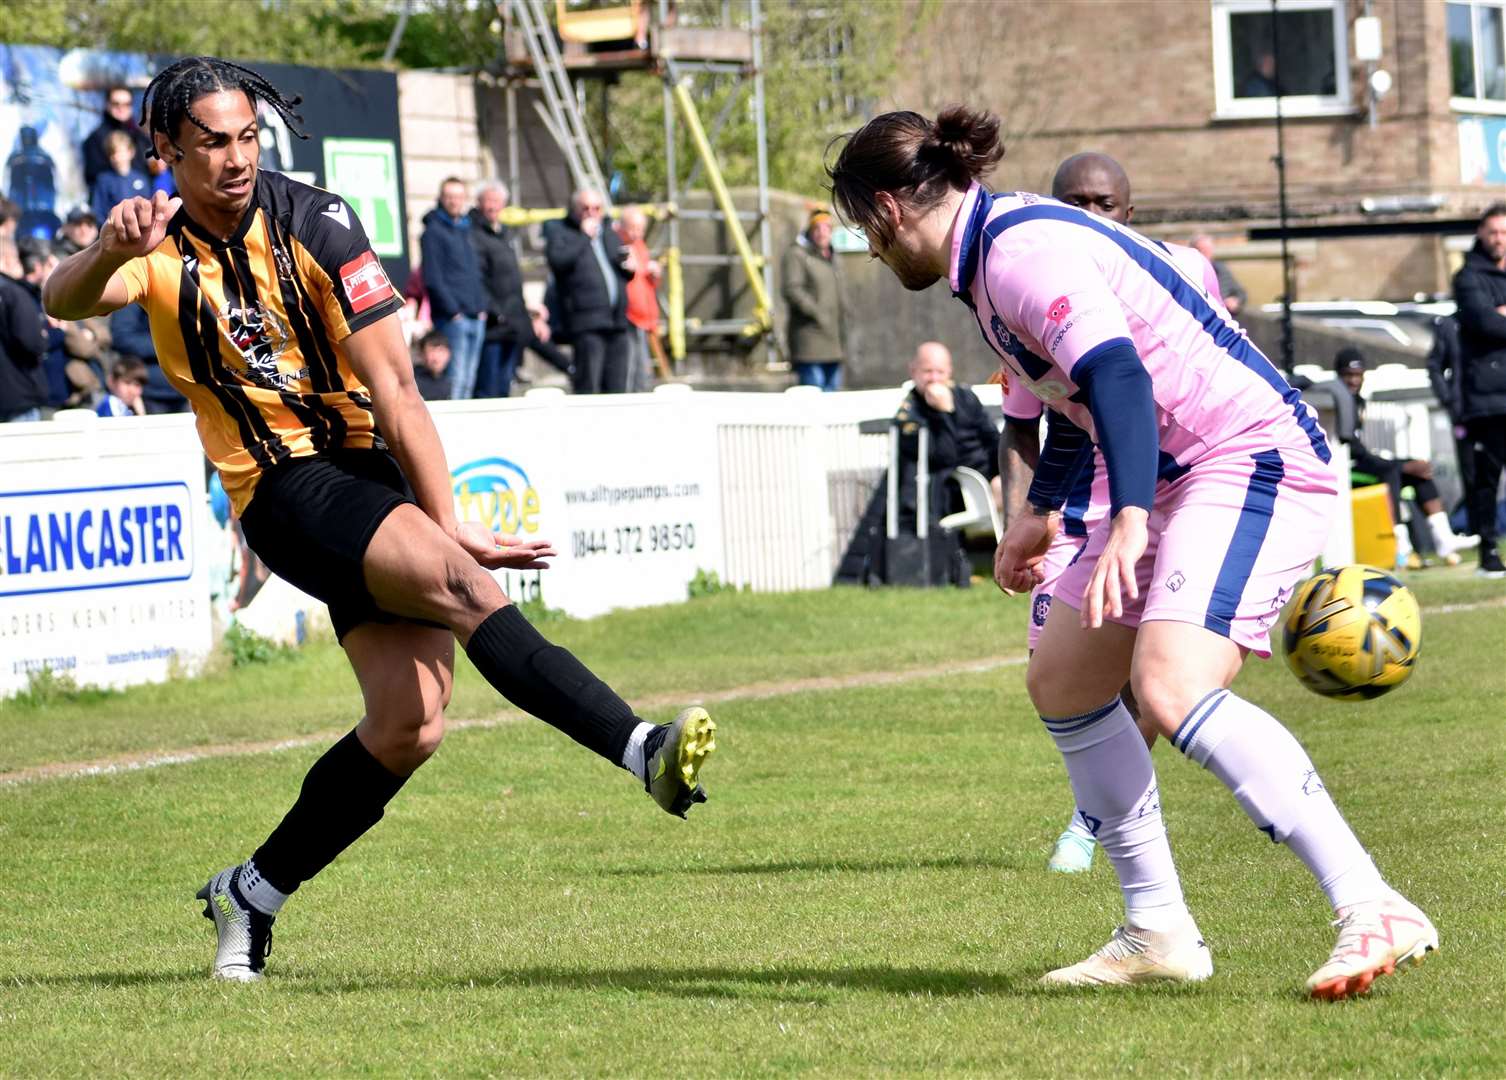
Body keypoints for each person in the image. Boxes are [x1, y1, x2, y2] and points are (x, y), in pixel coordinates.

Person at [43, 56, 717, 984]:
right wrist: (110, 249)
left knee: (410, 722)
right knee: (464, 587)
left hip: (367, 471)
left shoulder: (318, 221)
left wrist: (443, 517)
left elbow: (398, 389)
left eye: (247, 137)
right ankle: (642, 749)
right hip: (280, 489)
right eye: (212, 143)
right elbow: (60, 300)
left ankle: (251, 893)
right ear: (167, 148)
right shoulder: (150, 243)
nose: (236, 159)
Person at [829, 104, 1436, 1000]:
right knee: (1065, 680)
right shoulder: (988, 257)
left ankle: (1371, 903)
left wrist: (1127, 525)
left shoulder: (1016, 253)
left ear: (886, 208)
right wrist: (1040, 512)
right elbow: (1077, 396)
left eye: (864, 234)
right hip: (1179, 475)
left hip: (1249, 458)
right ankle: (1157, 929)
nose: (873, 256)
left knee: (1171, 684)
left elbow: (1117, 373)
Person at [1008, 150, 1218, 874]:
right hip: (1073, 510)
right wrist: (1029, 517)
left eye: (1103, 203)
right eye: (1073, 201)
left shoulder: (1185, 272)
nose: (1088, 215)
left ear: (1129, 213)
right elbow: (1027, 422)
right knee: (1060, 677)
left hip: (1156, 505)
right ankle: (1108, 813)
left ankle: (1093, 821)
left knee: (1147, 684)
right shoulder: (1029, 289)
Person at [1332, 347, 1471, 568]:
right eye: (1348, 375)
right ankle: (1401, 549)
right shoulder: (1334, 400)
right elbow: (1351, 449)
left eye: (1357, 375)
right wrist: (1399, 465)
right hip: (1341, 470)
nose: (1353, 381)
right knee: (1392, 470)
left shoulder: (1358, 401)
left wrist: (1404, 464)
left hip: (1361, 463)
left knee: (1420, 470)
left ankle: (1445, 541)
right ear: (1338, 375)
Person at [1449, 203, 1506, 579]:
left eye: (1503, 232)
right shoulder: (1468, 276)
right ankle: (1488, 549)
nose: (1498, 239)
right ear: (1481, 234)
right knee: (1486, 478)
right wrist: (1495, 315)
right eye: (1492, 232)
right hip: (1488, 398)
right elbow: (1486, 323)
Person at [896, 340, 1000, 518]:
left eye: (940, 372)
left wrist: (1002, 473)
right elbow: (945, 458)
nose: (934, 379)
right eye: (928, 371)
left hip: (990, 478)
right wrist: (944, 413)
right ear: (913, 371)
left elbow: (992, 438)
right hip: (954, 490)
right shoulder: (909, 415)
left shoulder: (966, 397)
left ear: (949, 372)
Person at [545, 189, 633, 394]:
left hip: (616, 322)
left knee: (617, 387)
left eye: (596, 208)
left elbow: (618, 268)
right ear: (574, 209)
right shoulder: (562, 232)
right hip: (587, 322)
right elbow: (558, 262)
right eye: (585, 208)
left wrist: (630, 269)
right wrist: (584, 237)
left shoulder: (608, 233)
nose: (592, 213)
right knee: (589, 385)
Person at [419, 178, 486, 401]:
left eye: (458, 196)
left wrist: (481, 307)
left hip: (475, 314)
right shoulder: (433, 232)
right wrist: (453, 311)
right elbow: (432, 278)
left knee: (470, 379)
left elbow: (476, 273)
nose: (454, 201)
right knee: (454, 382)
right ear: (441, 198)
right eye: (449, 196)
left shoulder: (467, 230)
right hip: (453, 318)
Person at [469, 180, 531, 399]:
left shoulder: (505, 234)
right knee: (488, 388)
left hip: (513, 322)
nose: (493, 206)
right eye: (488, 201)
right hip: (493, 325)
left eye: (497, 201)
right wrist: (497, 313)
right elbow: (478, 279)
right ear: (479, 203)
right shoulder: (473, 233)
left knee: (505, 387)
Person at [782, 207, 846, 391]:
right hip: (809, 341)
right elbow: (792, 290)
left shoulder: (834, 258)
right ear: (810, 231)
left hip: (834, 342)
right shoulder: (797, 255)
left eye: (826, 227)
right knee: (813, 395)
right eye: (817, 228)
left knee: (833, 400)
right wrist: (817, 313)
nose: (822, 232)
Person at [616, 204, 662, 392]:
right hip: (628, 316)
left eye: (640, 229)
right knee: (630, 369)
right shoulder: (618, 246)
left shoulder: (640, 246)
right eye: (633, 228)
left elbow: (647, 284)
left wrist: (655, 273)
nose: (637, 234)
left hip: (643, 317)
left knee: (642, 370)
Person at [0, 247, 48, 423]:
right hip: (18, 394)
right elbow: (31, 342)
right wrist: (44, 337)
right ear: (7, 259)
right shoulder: (15, 293)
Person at [82, 84, 152, 190]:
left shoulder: (140, 137)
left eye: (127, 104)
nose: (121, 108)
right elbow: (93, 177)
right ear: (107, 104)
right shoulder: (95, 139)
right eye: (116, 104)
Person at [92, 130, 152, 225]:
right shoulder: (103, 180)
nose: (116, 157)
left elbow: (149, 205)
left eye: (119, 152)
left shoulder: (141, 179)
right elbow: (98, 211)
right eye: (112, 153)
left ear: (131, 152)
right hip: (116, 230)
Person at [1191, 234, 1247, 316]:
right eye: (1202, 250)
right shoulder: (1188, 272)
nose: (1205, 254)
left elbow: (1241, 293)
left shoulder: (1221, 270)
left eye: (1208, 250)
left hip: (1223, 318)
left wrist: (1234, 300)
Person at [411, 329, 452, 402]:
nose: (436, 358)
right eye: (431, 351)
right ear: (421, 354)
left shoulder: (450, 382)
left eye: (440, 351)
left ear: (449, 354)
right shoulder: (413, 382)